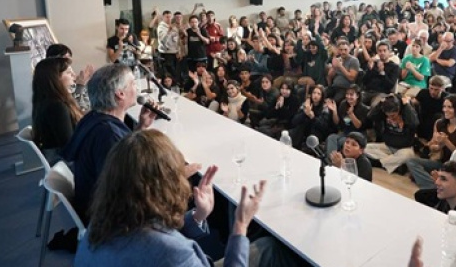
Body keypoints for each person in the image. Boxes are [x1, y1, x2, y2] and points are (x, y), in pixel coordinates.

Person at [75, 129, 275, 267]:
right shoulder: (174, 253)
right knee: (271, 250)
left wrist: (198, 215)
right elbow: (163, 246)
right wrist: (240, 225)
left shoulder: (98, 226)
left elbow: (155, 235)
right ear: (165, 183)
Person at [60, 64, 157, 221]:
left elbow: (123, 152)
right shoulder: (108, 134)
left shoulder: (93, 118)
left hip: (96, 205)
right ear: (120, 94)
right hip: (109, 219)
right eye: (133, 83)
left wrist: (141, 127)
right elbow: (126, 188)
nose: (136, 88)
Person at [406, 94, 456, 189]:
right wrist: (439, 146)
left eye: (450, 107)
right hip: (440, 162)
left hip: (454, 166)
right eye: (444, 106)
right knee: (411, 161)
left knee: (416, 175)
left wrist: (446, 141)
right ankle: (434, 185)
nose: (445, 110)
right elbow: (431, 147)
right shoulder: (439, 123)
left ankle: (434, 183)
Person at [31, 57, 83, 156]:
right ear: (56, 78)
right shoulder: (57, 107)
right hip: (62, 160)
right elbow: (69, 147)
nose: (74, 75)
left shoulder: (47, 101)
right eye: (68, 72)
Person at [366, 95, 419, 174]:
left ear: (398, 109)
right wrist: (380, 103)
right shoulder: (384, 110)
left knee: (408, 156)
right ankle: (394, 164)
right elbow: (370, 116)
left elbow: (414, 123)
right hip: (387, 147)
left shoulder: (407, 110)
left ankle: (378, 163)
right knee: (364, 148)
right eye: (388, 115)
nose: (390, 118)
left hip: (404, 149)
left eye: (393, 115)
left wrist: (407, 105)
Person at [325, 85, 370, 158]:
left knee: (343, 142)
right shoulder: (343, 104)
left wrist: (351, 114)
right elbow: (337, 122)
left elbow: (359, 126)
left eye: (351, 95)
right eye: (347, 94)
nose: (348, 96)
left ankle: (336, 160)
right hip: (345, 133)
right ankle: (331, 159)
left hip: (357, 136)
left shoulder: (363, 109)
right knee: (331, 137)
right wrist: (334, 111)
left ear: (357, 96)